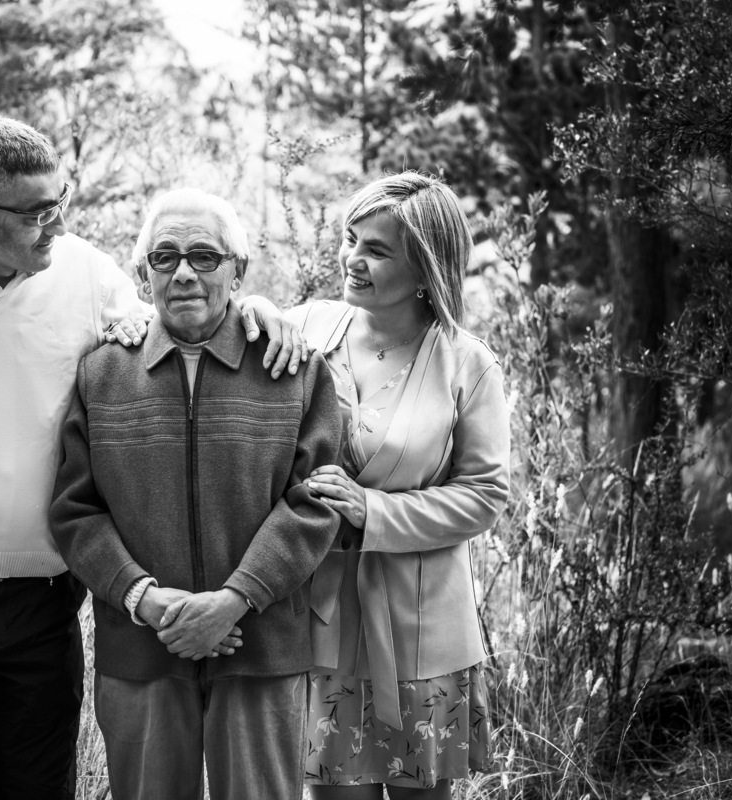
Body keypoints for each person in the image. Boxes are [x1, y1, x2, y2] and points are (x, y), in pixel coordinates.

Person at [0, 117, 306, 800]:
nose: (57, 226)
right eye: (37, 214)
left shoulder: (86, 273)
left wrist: (259, 309)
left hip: (40, 611)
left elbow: (182, 315)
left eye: (59, 205)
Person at [49, 187, 343, 800]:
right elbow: (76, 512)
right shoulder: (102, 373)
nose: (184, 272)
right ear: (142, 273)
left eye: (205, 256)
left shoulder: (293, 369)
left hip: (261, 647)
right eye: (165, 257)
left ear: (238, 270)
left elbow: (314, 501)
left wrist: (234, 600)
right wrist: (148, 601)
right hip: (142, 648)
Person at [290, 172, 511, 799]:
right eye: (350, 239)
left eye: (377, 249)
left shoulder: (468, 364)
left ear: (425, 269)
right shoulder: (307, 331)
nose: (352, 260)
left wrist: (373, 510)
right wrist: (125, 328)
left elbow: (485, 494)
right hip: (324, 621)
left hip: (425, 628)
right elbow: (221, 322)